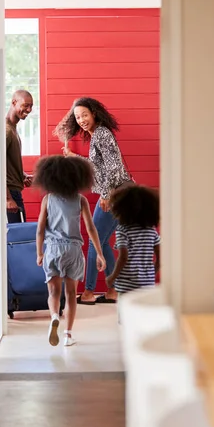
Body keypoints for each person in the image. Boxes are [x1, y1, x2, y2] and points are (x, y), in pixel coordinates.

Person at [54, 97, 132, 306]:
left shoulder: (102, 134)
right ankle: (114, 290)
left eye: (84, 115)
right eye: (77, 117)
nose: (81, 120)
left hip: (116, 193)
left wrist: (107, 194)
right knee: (102, 240)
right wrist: (73, 157)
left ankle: (88, 292)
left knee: (94, 237)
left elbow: (114, 167)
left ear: (94, 113)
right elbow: (98, 166)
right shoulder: (97, 134)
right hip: (121, 192)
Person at [34, 155, 106, 347]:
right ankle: (67, 334)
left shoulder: (47, 199)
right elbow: (91, 228)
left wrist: (39, 252)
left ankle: (54, 316)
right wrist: (99, 253)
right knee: (71, 293)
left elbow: (40, 228)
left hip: (53, 249)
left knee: (54, 292)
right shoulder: (81, 200)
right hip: (73, 250)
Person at [106, 184, 160, 307]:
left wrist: (113, 276)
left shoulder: (123, 230)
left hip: (127, 281)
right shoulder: (151, 231)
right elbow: (160, 258)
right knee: (143, 311)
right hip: (147, 281)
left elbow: (123, 257)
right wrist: (151, 272)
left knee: (125, 313)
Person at [6, 89, 34, 223]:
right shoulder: (6, 130)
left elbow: (8, 161)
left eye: (31, 106)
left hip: (14, 191)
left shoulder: (13, 129)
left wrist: (22, 176)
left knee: (19, 235)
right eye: (26, 105)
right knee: (15, 240)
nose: (29, 110)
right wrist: (7, 199)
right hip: (9, 193)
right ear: (14, 102)